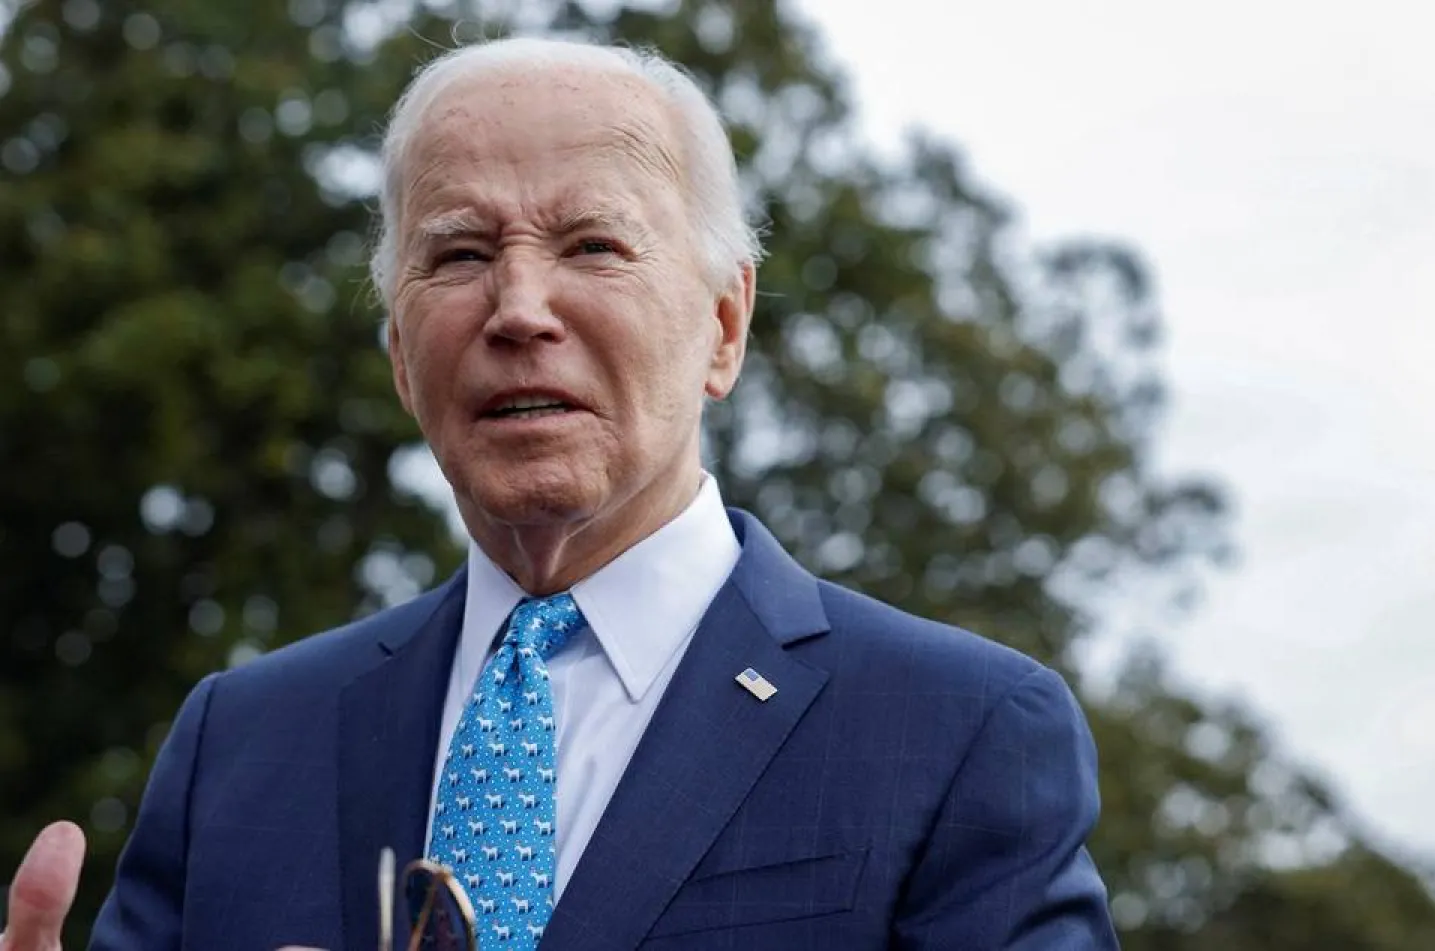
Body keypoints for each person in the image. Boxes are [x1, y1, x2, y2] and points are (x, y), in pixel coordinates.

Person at [2, 36, 1119, 951]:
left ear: (724, 326)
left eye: (591, 244)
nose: (519, 307)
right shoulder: (238, 747)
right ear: (400, 353)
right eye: (457, 255)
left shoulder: (955, 731)